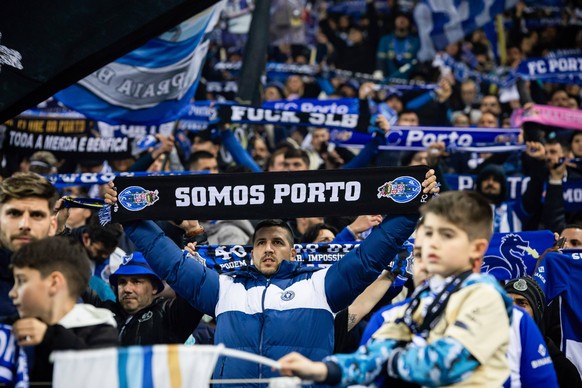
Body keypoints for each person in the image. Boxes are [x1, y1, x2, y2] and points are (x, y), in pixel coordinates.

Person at [103, 170, 438, 384]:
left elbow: (370, 256)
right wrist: (128, 213)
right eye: (261, 242)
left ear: (293, 252)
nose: (267, 248)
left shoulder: (320, 286)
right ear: (251, 251)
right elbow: (169, 260)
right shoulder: (225, 289)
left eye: (277, 242)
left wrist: (412, 204)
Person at [278, 191, 513, 387]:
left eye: (447, 235)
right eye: (428, 233)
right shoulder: (421, 300)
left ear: (477, 248)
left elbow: (440, 365)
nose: (433, 242)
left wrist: (386, 361)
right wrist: (320, 369)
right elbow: (370, 357)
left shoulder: (485, 296)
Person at [8, 236, 118, 382]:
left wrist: (49, 336)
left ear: (54, 283)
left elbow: (98, 376)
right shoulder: (11, 328)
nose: (12, 292)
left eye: (21, 281)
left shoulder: (102, 330)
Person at [83, 252, 204, 346]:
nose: (127, 289)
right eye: (122, 282)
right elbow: (73, 277)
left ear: (155, 288)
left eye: (136, 281)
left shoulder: (169, 316)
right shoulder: (103, 309)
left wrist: (194, 236)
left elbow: (197, 288)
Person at [0, 173, 59, 319]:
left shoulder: (69, 282)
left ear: (52, 226)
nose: (25, 225)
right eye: (14, 213)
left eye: (37, 215)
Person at [504, 276, 581, 388]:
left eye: (521, 303)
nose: (513, 309)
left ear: (537, 311)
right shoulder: (485, 357)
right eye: (506, 303)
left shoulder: (562, 368)